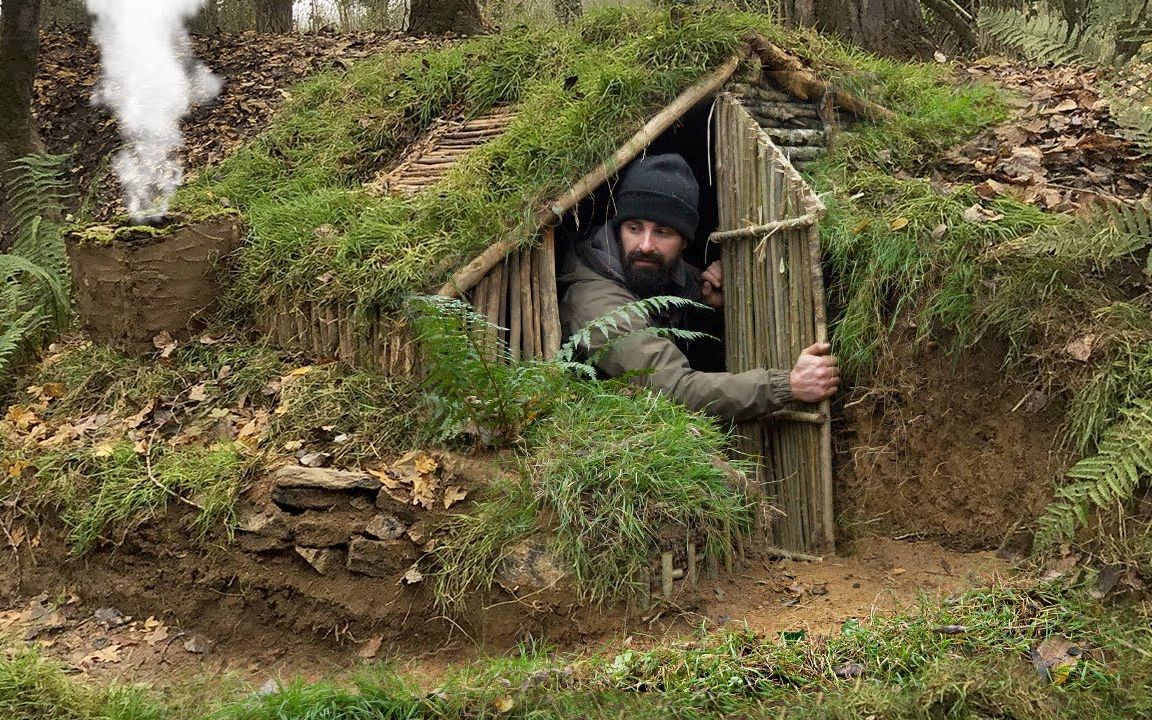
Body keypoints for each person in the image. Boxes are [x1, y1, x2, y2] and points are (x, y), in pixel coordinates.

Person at [556, 153, 839, 423]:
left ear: (685, 242)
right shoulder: (594, 302)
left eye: (662, 232)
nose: (645, 245)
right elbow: (672, 388)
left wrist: (709, 309)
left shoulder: (669, 275)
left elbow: (704, 353)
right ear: (618, 230)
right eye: (634, 228)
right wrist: (784, 386)